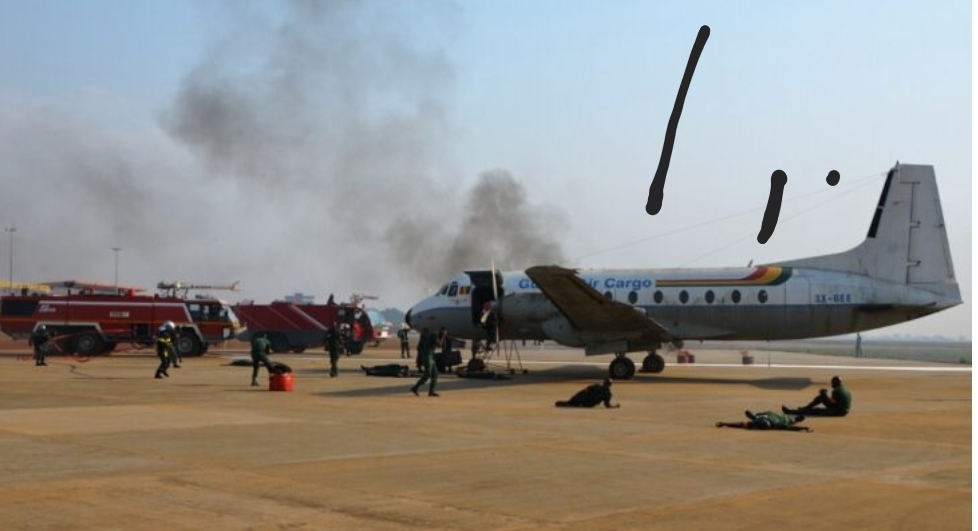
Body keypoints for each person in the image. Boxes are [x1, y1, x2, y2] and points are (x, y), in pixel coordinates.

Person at [782, 375, 852, 417]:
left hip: (838, 411)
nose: (831, 384)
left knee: (815, 411)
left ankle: (791, 412)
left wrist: (824, 394)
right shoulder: (844, 388)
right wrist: (824, 395)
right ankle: (805, 408)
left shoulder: (836, 391)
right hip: (842, 410)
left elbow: (833, 402)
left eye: (832, 382)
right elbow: (835, 401)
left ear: (835, 383)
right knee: (822, 397)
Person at [716, 410, 812, 432]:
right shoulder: (781, 422)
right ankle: (754, 417)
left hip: (764, 419)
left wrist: (725, 423)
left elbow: (792, 427)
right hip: (765, 419)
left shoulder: (780, 422)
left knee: (745, 424)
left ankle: (754, 417)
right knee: (745, 424)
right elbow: (792, 427)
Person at [410, 327, 439, 397]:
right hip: (427, 357)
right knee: (427, 374)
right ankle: (415, 388)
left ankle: (431, 392)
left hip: (430, 356)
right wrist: (443, 336)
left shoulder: (430, 336)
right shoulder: (434, 336)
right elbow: (440, 344)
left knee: (435, 374)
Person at [555, 378, 620, 408]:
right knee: (574, 403)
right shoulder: (608, 394)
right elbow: (607, 405)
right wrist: (615, 406)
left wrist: (577, 396)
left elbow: (586, 389)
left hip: (583, 400)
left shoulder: (596, 386)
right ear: (610, 385)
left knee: (573, 401)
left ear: (604, 382)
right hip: (590, 405)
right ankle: (573, 403)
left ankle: (572, 402)